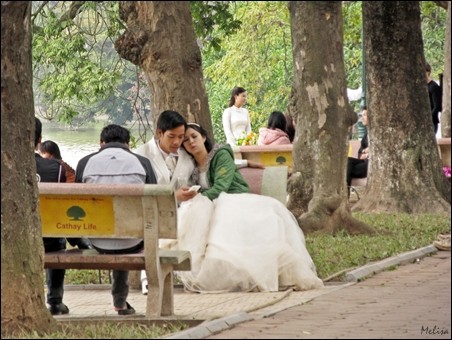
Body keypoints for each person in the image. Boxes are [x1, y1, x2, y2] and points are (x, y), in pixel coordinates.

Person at [166, 122, 324, 293]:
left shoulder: (220, 154)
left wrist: (200, 198)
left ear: (204, 137)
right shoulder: (193, 167)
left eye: (194, 137)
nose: (191, 142)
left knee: (222, 229)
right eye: (186, 140)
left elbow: (222, 185)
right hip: (211, 203)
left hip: (233, 198)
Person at [135, 110, 263, 295]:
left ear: (203, 136)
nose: (178, 142)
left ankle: (205, 273)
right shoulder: (142, 155)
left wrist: (247, 163)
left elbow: (215, 160)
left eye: (182, 137)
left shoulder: (186, 155)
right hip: (156, 209)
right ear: (159, 133)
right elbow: (140, 191)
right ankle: (150, 279)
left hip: (191, 207)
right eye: (173, 137)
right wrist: (174, 197)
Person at [75, 124, 157, 315]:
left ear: (101, 143)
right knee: (125, 231)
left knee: (114, 229)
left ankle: (55, 300)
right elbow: (154, 201)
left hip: (96, 240)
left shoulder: (85, 162)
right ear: (128, 144)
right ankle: (120, 302)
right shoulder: (142, 162)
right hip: (133, 241)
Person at [34, 117, 90, 315]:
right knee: (56, 232)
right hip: (47, 239)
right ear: (39, 140)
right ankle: (55, 301)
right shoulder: (56, 168)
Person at [346, 107, 369, 193]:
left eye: (365, 115)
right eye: (362, 115)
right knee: (348, 161)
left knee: (347, 170)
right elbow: (359, 153)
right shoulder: (366, 135)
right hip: (364, 161)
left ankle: (346, 193)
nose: (362, 117)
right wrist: (365, 153)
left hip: (370, 164)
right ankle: (345, 193)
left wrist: (368, 152)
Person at [425, 62, 442, 134]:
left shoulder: (433, 86)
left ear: (428, 72)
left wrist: (428, 117)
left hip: (432, 122)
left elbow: (437, 106)